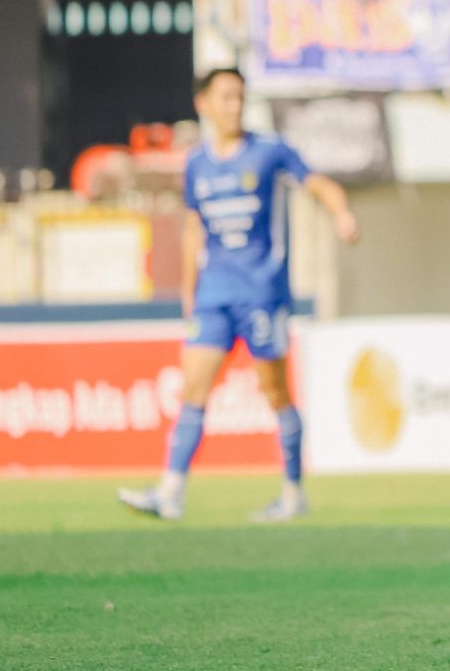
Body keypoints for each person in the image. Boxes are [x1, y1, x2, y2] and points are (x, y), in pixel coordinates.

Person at [117, 69, 360, 524]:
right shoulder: (197, 163)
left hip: (262, 293)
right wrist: (190, 291)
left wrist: (341, 212)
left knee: (275, 391)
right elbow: (193, 228)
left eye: (240, 97)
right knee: (193, 387)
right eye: (225, 97)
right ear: (203, 104)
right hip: (214, 296)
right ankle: (171, 491)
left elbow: (319, 183)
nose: (234, 105)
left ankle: (292, 493)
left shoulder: (269, 152)